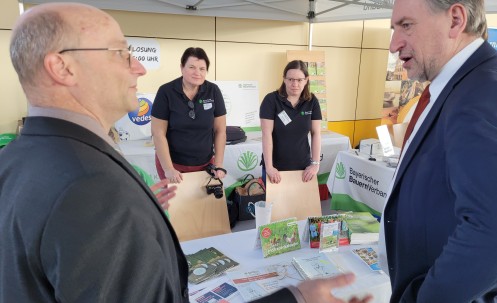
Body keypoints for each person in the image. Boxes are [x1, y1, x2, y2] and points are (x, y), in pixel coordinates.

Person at [0, 3, 373, 303]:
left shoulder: (18, 158)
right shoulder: (91, 185)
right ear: (61, 67)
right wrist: (295, 297)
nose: (138, 66)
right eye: (120, 53)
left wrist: (144, 208)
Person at [380, 0, 497, 302]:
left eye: (406, 25)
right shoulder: (492, 77)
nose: (393, 44)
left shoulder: (481, 92)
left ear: (455, 19)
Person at [151, 47, 227, 184]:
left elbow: (220, 131)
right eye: (192, 67)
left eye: (202, 69)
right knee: (175, 205)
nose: (197, 73)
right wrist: (168, 169)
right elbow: (158, 133)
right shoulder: (166, 92)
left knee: (203, 205)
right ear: (182, 67)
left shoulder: (213, 91)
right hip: (173, 166)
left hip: (205, 164)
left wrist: (219, 164)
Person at [260, 60, 322, 184]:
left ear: (306, 80)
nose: (295, 84)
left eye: (299, 80)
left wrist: (315, 164)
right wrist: (270, 167)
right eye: (290, 79)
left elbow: (316, 133)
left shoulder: (312, 101)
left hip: (303, 169)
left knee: (302, 203)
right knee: (275, 204)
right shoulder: (271, 100)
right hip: (276, 168)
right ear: (284, 79)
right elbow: (266, 134)